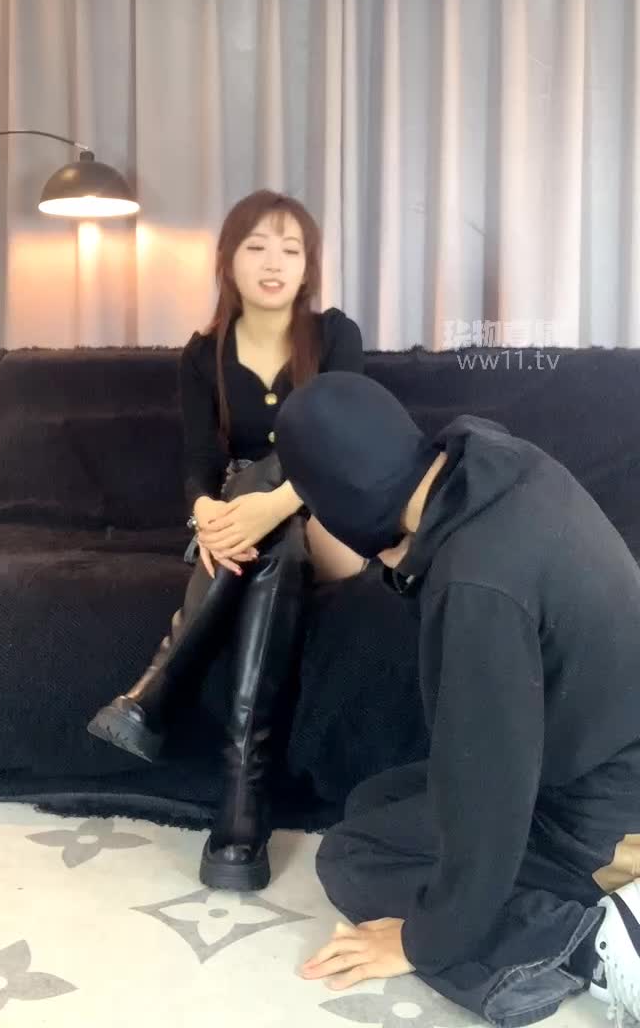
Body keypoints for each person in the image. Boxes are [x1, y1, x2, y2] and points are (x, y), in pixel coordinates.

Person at [274, 370, 640, 1028]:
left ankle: (591, 944)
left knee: (351, 858)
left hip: (605, 811)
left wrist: (424, 940)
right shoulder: (500, 466)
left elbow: (489, 789)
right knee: (373, 801)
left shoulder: (477, 583)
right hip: (586, 754)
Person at [88, 191, 366, 892]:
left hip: (330, 517)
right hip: (250, 530)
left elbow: (345, 446)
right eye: (256, 246)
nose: (274, 263)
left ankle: (155, 693)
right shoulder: (202, 354)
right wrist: (207, 513)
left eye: (290, 249)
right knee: (275, 547)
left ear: (308, 266)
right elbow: (198, 465)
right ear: (228, 260)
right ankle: (242, 806)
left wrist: (268, 503)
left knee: (275, 488)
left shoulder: (336, 337)